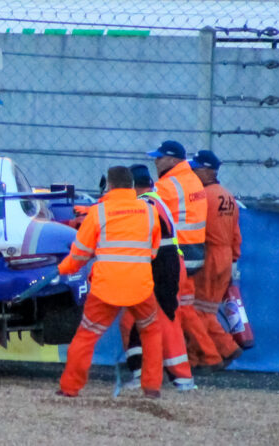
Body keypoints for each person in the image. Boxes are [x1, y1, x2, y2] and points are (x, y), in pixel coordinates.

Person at [57, 166, 163, 398]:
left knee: (87, 334)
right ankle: (152, 387)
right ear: (133, 186)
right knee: (151, 331)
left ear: (110, 186)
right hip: (141, 285)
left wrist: (62, 269)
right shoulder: (149, 211)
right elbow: (153, 250)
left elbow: (79, 255)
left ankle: (70, 388)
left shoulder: (99, 213)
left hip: (106, 287)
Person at [120, 163, 196, 392]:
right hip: (169, 264)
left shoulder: (144, 205)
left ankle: (176, 378)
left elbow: (135, 236)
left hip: (162, 266)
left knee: (159, 320)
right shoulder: (155, 200)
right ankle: (151, 374)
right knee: (142, 321)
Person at [148, 139, 222, 371]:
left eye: (159, 157)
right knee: (187, 308)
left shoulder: (167, 186)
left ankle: (208, 356)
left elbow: (146, 212)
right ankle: (206, 356)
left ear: (172, 160)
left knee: (179, 309)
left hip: (177, 254)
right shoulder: (191, 179)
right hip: (195, 251)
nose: (156, 161)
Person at [190, 150, 243, 369]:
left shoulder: (203, 197)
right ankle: (195, 358)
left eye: (195, 168)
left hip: (209, 254)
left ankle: (226, 348)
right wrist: (233, 261)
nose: (192, 172)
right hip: (225, 255)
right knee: (206, 309)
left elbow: (196, 230)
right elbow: (236, 235)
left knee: (197, 311)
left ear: (207, 171)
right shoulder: (228, 196)